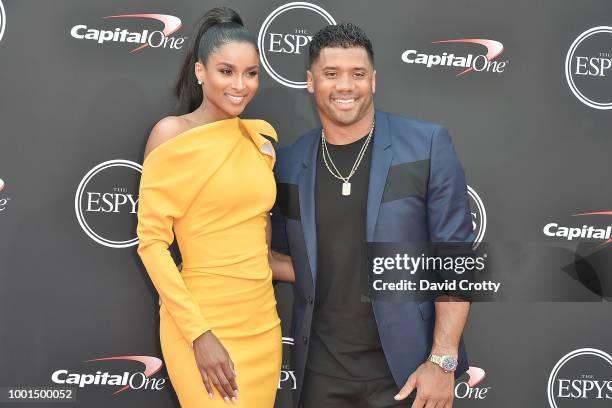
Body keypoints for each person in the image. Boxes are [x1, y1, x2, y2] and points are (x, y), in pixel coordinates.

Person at [271, 23, 473, 408]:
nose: (345, 86)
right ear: (311, 81)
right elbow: (285, 260)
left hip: (408, 375)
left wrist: (442, 362)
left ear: (374, 81)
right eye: (331, 74)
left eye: (357, 74)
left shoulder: (426, 144)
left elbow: (456, 260)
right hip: (320, 376)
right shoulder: (290, 163)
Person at [136, 7, 293, 408]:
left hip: (262, 322)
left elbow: (260, 246)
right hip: (203, 324)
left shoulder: (259, 143)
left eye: (251, 73)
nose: (241, 85)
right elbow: (152, 244)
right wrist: (198, 334)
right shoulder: (172, 134)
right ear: (201, 71)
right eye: (226, 71)